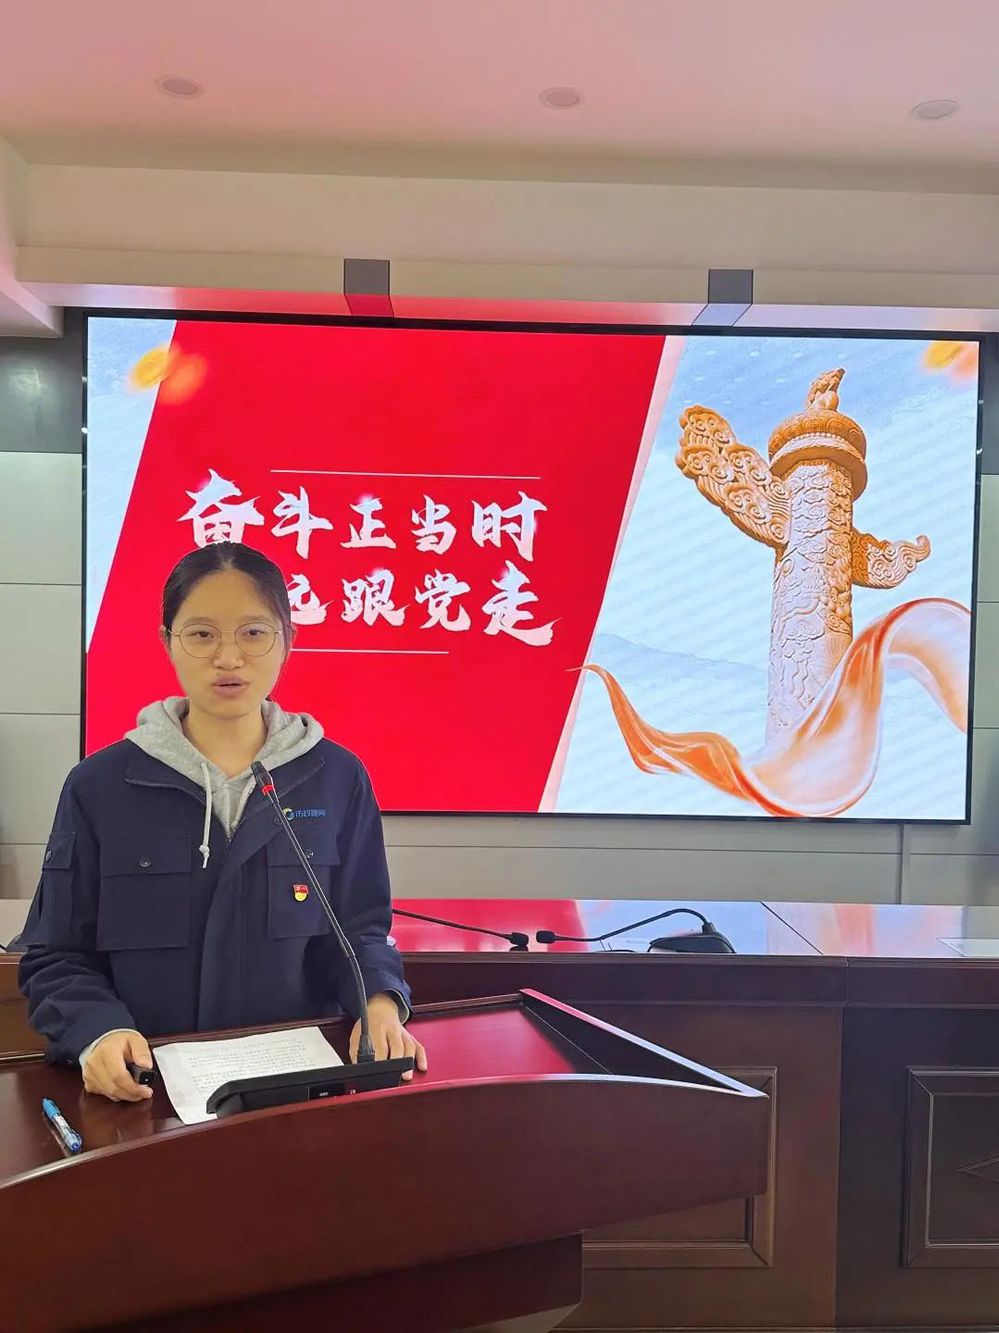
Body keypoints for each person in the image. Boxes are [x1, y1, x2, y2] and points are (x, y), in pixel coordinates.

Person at [18, 541, 426, 1103]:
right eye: (202, 634)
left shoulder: (335, 777)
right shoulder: (100, 786)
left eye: (254, 633)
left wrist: (378, 1002)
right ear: (168, 643)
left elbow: (361, 929)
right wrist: (97, 1031)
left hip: (296, 1094)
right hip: (149, 1094)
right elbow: (56, 952)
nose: (229, 657)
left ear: (286, 641)